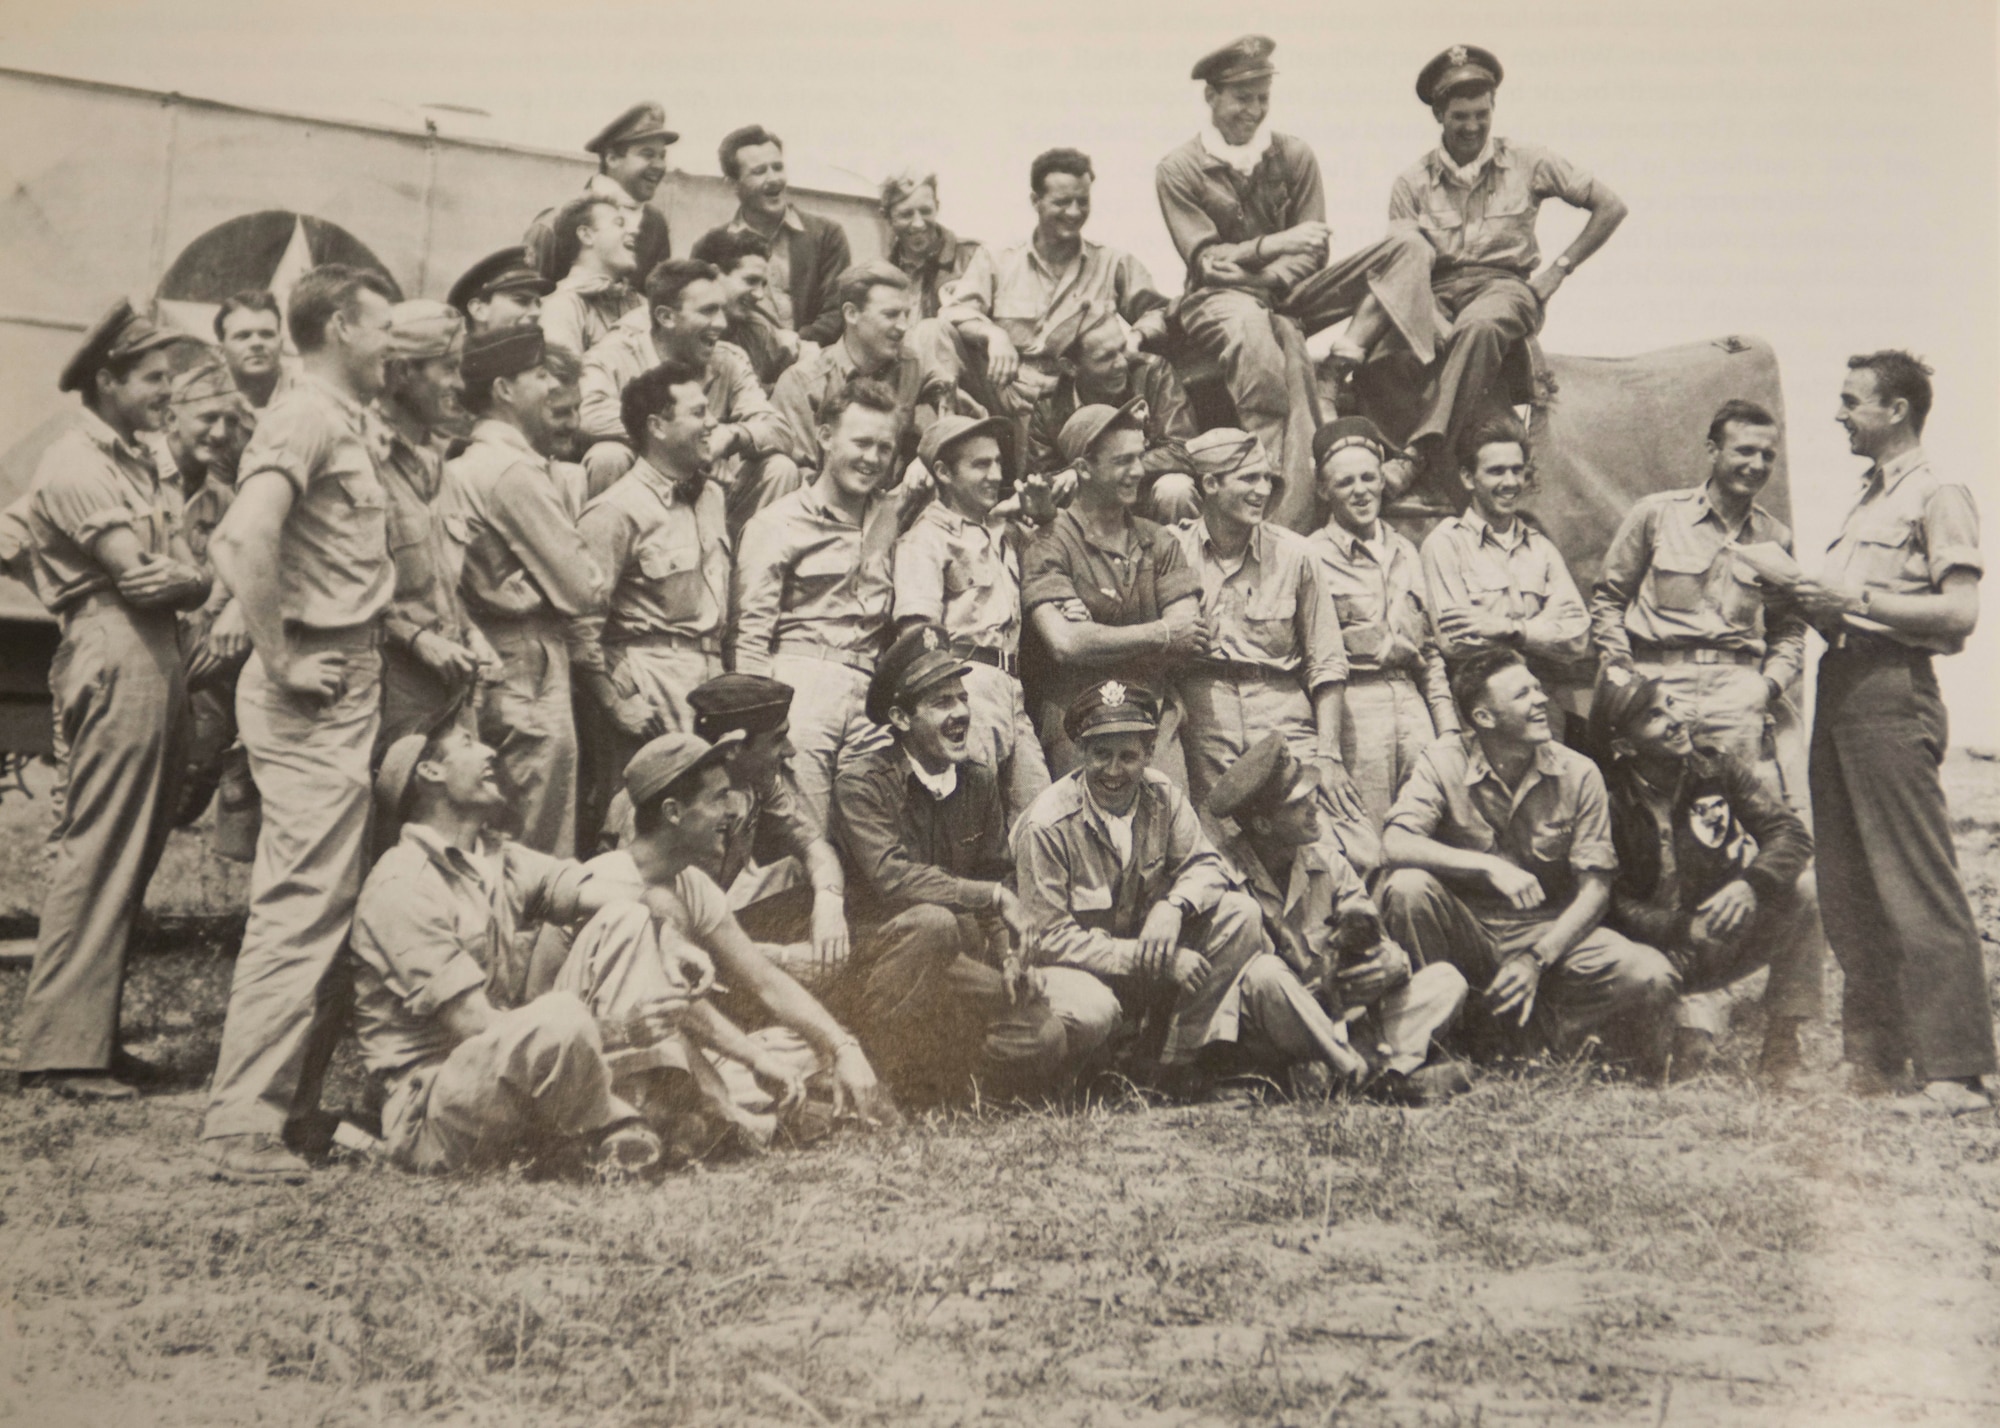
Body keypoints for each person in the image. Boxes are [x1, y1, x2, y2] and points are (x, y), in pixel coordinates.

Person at [200, 265, 398, 1180]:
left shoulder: (341, 419)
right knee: (299, 907)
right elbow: (242, 538)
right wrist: (279, 656)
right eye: (381, 327)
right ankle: (241, 1123)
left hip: (347, 676)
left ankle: (285, 1109)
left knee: (323, 899)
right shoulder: (307, 415)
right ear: (341, 328)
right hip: (312, 688)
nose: (389, 343)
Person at [1790, 351, 1994, 1114]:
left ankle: (1958, 1071)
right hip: (1841, 683)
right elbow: (1853, 604)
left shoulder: (1938, 495)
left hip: (1891, 688)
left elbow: (1958, 616)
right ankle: (1875, 1059)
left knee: (1913, 882)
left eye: (1852, 402)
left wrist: (1856, 595)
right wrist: (1810, 600)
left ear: (1897, 409)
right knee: (1849, 886)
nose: (1840, 415)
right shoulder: (1865, 501)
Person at [14, 301, 205, 1102]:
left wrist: (191, 575)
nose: (169, 391)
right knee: (101, 846)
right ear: (109, 380)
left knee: (132, 848)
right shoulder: (77, 463)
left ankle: (89, 1039)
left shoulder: (140, 459)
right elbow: (145, 574)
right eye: (154, 377)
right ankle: (61, 1054)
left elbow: (185, 568)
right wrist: (193, 576)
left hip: (151, 646)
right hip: (115, 642)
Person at [542, 730, 901, 1139]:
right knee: (749, 1063)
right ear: (673, 812)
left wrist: (840, 1046)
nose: (731, 812)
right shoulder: (610, 881)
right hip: (585, 1058)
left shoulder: (691, 883)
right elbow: (674, 1007)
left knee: (807, 1047)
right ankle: (721, 1117)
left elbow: (766, 981)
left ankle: (717, 1115)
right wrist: (756, 1060)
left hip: (661, 1044)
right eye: (718, 798)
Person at [1014, 681, 1367, 1093]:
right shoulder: (1048, 824)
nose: (1113, 770)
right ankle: (1089, 1077)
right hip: (1076, 968)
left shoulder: (1163, 796)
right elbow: (1049, 938)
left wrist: (1174, 907)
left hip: (1144, 953)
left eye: (1128, 756)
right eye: (1100, 755)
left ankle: (1168, 1067)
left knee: (1241, 914)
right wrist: (1152, 959)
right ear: (1081, 754)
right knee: (1097, 1010)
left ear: (1149, 754)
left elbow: (1206, 866)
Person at [352, 727, 669, 1178]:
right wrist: (617, 1030)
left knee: (627, 917)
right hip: (437, 1108)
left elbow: (596, 890)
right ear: (430, 772)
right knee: (560, 1014)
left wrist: (668, 925)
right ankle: (616, 1122)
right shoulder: (402, 885)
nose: (488, 751)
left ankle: (616, 1117)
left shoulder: (497, 857)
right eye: (467, 744)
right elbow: (472, 1025)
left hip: (501, 1070)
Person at [1156, 35, 1437, 520]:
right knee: (1253, 336)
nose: (1254, 110)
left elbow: (1315, 248)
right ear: (1211, 96)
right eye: (1242, 97)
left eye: (1263, 97)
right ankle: (1266, 482)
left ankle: (1342, 359)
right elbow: (1206, 261)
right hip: (1216, 301)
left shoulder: (1293, 155)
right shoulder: (1178, 168)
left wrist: (1270, 273)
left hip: (1285, 293)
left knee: (1409, 246)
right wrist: (1274, 246)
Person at [1376, 648, 1678, 1068]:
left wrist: (1536, 959)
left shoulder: (1579, 772)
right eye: (1523, 694)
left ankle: (1522, 1039)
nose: (1541, 700)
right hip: (1469, 934)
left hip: (1550, 935)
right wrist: (1487, 864)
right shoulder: (1443, 761)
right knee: (1408, 887)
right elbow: (1394, 843)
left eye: (1538, 688)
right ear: (1484, 718)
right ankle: (1444, 1040)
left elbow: (1596, 892)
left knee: (1650, 975)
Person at [829, 623, 1072, 1103]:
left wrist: (1008, 956)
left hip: (950, 961)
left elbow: (992, 873)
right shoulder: (862, 784)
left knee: (1042, 1033)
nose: (961, 713)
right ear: (900, 718)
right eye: (942, 703)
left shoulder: (977, 782)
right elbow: (892, 878)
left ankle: (951, 1093)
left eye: (962, 699)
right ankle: (879, 1083)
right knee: (935, 924)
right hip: (876, 964)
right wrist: (993, 899)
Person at [1389, 45, 1627, 489]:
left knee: (1479, 327)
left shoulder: (1529, 160)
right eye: (1460, 116)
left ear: (1494, 107)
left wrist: (1557, 270)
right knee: (1382, 357)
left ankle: (1420, 453)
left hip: (1505, 288)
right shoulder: (1411, 182)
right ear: (1439, 115)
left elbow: (1610, 206)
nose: (1473, 126)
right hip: (1435, 292)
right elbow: (1403, 266)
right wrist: (1431, 316)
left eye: (1482, 113)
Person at [1206, 733, 1469, 1103]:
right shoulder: (1220, 874)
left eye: (1313, 795)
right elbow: (1242, 989)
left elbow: (1377, 937)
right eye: (1299, 804)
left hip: (1342, 1017)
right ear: (1263, 825)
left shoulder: (1328, 862)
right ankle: (1370, 1076)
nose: (1315, 807)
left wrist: (1388, 965)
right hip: (1278, 1029)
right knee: (1266, 976)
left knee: (1447, 980)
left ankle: (1354, 1077)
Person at [1588, 671, 1819, 1085]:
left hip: (1716, 936)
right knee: (1674, 1069)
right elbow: (1610, 902)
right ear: (1624, 746)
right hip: (1650, 953)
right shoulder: (1606, 798)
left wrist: (1751, 884)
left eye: (1672, 704)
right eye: (1654, 716)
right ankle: (1683, 1018)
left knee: (1805, 890)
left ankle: (1783, 1047)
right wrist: (1680, 927)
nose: (1676, 720)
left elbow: (1790, 833)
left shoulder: (1716, 768)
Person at [442, 324, 607, 857]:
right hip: (526, 666)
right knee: (534, 844)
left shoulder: (469, 461)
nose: (550, 390)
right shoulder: (512, 468)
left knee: (492, 836)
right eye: (538, 376)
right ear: (503, 390)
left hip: (495, 661)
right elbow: (583, 587)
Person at [1590, 400, 1805, 791]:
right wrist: (1628, 677)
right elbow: (1608, 600)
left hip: (1737, 694)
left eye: (1767, 455)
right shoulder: (1656, 515)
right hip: (1660, 686)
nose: (1756, 465)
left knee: (1736, 815)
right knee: (1655, 806)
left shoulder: (1776, 536)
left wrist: (1767, 686)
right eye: (1744, 450)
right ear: (1712, 450)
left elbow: (1789, 629)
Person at [733, 377, 911, 827]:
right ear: (826, 437)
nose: (872, 459)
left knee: (870, 837)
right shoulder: (778, 523)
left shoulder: (888, 516)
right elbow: (751, 635)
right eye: (862, 442)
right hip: (799, 687)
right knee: (797, 832)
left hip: (871, 692)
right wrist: (761, 727)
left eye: (884, 448)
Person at [573, 359, 732, 840]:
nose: (712, 424)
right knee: (637, 828)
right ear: (657, 427)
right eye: (698, 413)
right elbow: (579, 623)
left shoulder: (712, 498)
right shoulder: (615, 510)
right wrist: (614, 703)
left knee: (707, 826)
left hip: (708, 679)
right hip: (647, 683)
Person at [1170, 428, 1355, 824]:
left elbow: (1327, 662)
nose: (1262, 490)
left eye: (1266, 478)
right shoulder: (1170, 550)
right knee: (1218, 842)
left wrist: (1328, 753)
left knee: (1338, 837)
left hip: (1282, 713)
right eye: (1248, 478)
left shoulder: (1297, 555)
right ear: (1211, 484)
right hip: (1205, 718)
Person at [1020, 401, 1204, 773]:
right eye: (1122, 461)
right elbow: (1065, 643)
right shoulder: (1050, 541)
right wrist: (1161, 633)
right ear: (1084, 469)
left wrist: (1097, 638)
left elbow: (1191, 635)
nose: (1137, 471)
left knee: (1166, 823)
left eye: (1139, 457)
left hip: (1151, 717)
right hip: (1080, 719)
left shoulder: (1159, 540)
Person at [892, 414, 1050, 823]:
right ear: (943, 472)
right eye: (980, 465)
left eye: (998, 463)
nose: (995, 475)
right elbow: (917, 637)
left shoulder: (1002, 530)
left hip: (1012, 690)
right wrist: (947, 705)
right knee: (967, 820)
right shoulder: (926, 539)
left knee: (1042, 819)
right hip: (965, 686)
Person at [1307, 416, 1459, 839]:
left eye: (1368, 478)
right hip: (1356, 710)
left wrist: (1447, 730)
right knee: (1369, 838)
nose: (1360, 490)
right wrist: (1328, 746)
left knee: (1426, 833)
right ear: (1323, 490)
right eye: (1345, 482)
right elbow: (1314, 659)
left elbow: (1429, 651)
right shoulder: (1310, 557)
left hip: (1414, 707)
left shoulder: (1406, 550)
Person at [937, 147, 1169, 419]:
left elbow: (1157, 310)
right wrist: (993, 335)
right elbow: (952, 313)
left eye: (1082, 202)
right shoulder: (997, 260)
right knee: (930, 333)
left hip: (1078, 403)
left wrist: (1136, 336)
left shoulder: (1112, 262)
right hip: (1010, 399)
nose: (1074, 212)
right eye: (1062, 202)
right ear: (1036, 201)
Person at [577, 257, 797, 518]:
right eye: (708, 311)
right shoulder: (614, 355)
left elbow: (778, 429)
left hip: (712, 499)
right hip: (643, 501)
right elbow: (588, 415)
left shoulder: (729, 360)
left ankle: (746, 556)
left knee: (780, 468)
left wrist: (730, 436)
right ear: (666, 317)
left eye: (721, 310)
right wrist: (688, 442)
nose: (721, 324)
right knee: (608, 456)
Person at [375, 300, 497, 750]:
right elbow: (339, 583)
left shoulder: (436, 462)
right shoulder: (362, 460)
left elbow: (438, 580)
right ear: (403, 372)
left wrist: (470, 633)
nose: (459, 384)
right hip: (384, 684)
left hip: (447, 687)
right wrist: (418, 639)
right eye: (447, 369)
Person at [1418, 413, 1590, 723]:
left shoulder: (1541, 548)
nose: (1510, 483)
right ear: (1468, 478)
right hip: (1482, 715)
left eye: (1517, 471)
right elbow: (1455, 641)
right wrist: (1542, 629)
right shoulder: (1446, 544)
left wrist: (1506, 628)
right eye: (1496, 471)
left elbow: (1577, 636)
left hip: (1544, 708)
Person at [155, 354, 254, 832]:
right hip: (140, 659)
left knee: (186, 789)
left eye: (229, 421)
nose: (219, 433)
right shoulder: (135, 477)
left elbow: (250, 567)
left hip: (199, 666)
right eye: (207, 418)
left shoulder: (224, 499)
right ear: (171, 418)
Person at [770, 262, 968, 478]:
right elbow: (801, 476)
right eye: (891, 315)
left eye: (906, 315)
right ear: (851, 313)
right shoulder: (803, 383)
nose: (903, 326)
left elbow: (963, 412)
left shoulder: (911, 366)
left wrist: (930, 453)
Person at [1023, 308, 1200, 524]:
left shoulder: (1152, 373)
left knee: (1175, 489)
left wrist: (1102, 471)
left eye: (1122, 349)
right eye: (1106, 357)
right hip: (1089, 511)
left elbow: (1183, 450)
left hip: (1143, 495)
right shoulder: (1048, 406)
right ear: (1070, 367)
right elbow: (1040, 480)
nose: (1122, 363)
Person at [712, 125, 852, 345]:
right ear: (732, 184)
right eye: (759, 171)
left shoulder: (827, 235)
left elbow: (837, 313)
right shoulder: (712, 247)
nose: (775, 179)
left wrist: (794, 346)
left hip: (815, 363)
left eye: (777, 167)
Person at [523, 103, 676, 289]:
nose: (659, 166)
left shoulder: (655, 224)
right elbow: (527, 301)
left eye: (662, 156)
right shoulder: (552, 223)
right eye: (648, 154)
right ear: (612, 158)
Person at [688, 226, 801, 388]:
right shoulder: (666, 328)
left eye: (763, 284)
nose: (759, 295)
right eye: (751, 281)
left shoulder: (755, 329)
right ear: (713, 275)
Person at [537, 194, 644, 359]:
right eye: (619, 223)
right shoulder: (561, 307)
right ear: (586, 235)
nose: (634, 231)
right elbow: (564, 380)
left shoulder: (639, 304)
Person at [880, 169, 981, 321]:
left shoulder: (973, 259)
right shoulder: (881, 274)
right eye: (906, 215)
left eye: (926, 211)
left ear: (937, 207)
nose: (918, 224)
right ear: (888, 218)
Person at [447, 248, 554, 336]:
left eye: (538, 304)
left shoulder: (552, 360)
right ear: (479, 310)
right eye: (522, 301)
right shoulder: (456, 362)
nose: (537, 312)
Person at [215, 290, 284, 411]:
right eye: (243, 336)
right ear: (221, 351)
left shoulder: (305, 394)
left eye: (267, 335)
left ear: (281, 345)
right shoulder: (201, 395)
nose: (257, 343)